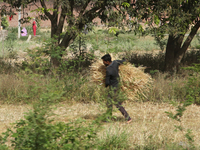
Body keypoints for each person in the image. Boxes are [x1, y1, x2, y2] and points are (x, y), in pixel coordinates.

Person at [101, 54, 132, 123]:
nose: (103, 63)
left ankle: (128, 118)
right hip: (117, 85)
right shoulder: (116, 62)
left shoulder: (108, 70)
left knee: (116, 103)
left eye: (103, 61)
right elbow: (124, 61)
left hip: (113, 88)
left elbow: (107, 83)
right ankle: (108, 119)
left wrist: (103, 82)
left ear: (106, 62)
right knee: (109, 103)